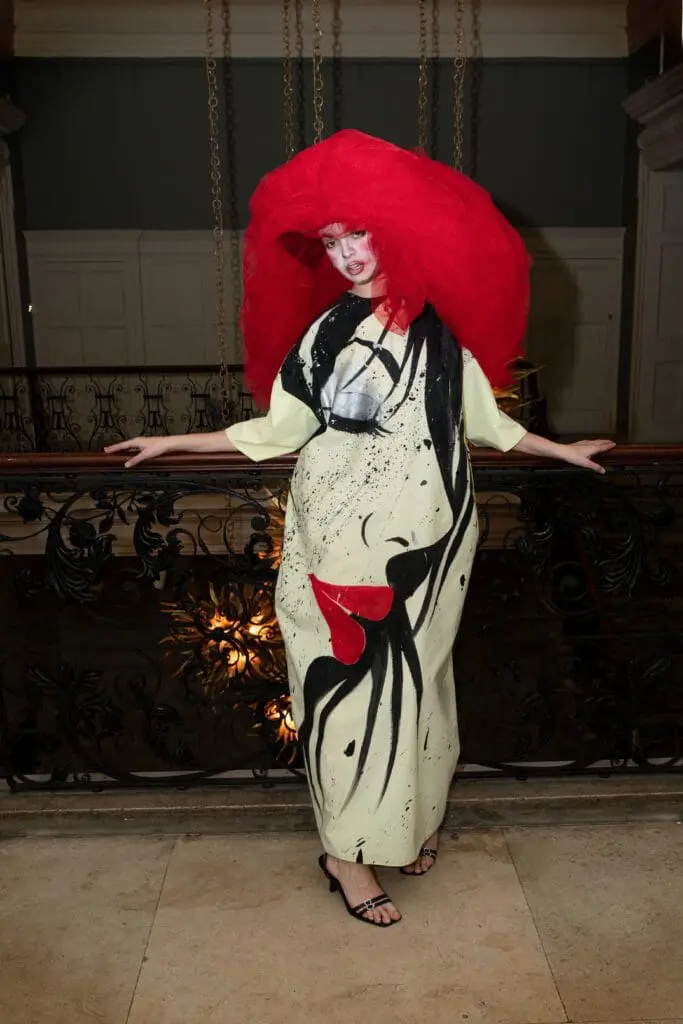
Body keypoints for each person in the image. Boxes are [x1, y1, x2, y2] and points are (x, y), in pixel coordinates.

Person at [105, 130, 614, 928]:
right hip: (342, 531)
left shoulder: (439, 330)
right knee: (345, 686)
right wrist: (172, 441)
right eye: (330, 241)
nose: (344, 254)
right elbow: (276, 431)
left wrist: (563, 450)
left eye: (357, 234)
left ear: (394, 231)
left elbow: (490, 425)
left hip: (435, 533)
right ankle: (344, 855)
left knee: (421, 683)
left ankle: (407, 821)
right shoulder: (326, 333)